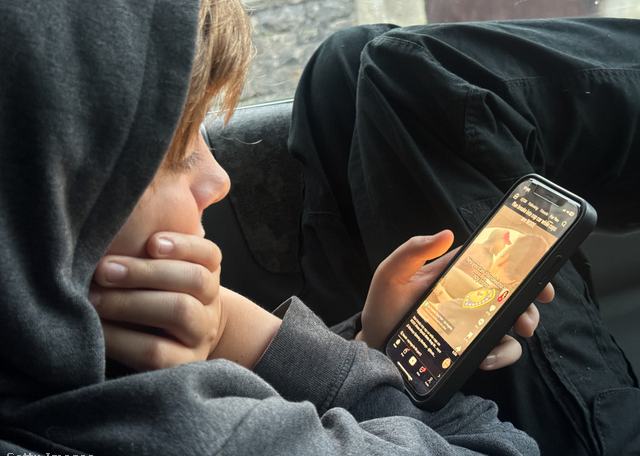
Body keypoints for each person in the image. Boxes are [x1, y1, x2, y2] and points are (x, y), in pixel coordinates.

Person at [0, 1, 545, 455]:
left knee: (353, 59)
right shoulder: (211, 436)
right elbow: (495, 444)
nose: (218, 180)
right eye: (175, 148)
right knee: (378, 61)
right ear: (54, 206)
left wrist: (367, 346)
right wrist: (235, 331)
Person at [286, 21, 640, 455]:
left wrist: (367, 347)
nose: (220, 181)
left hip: (370, 403)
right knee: (405, 66)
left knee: (344, 62)